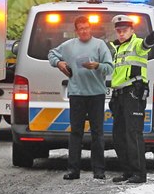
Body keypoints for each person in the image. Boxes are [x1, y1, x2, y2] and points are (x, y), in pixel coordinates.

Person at [48, 15, 114, 180]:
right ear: (76, 31)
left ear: (90, 28)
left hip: (96, 94)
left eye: (86, 28)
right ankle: (73, 170)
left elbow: (110, 67)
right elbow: (51, 54)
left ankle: (99, 170)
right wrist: (59, 63)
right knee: (76, 133)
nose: (84, 31)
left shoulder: (99, 45)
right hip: (77, 94)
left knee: (97, 133)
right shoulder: (69, 46)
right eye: (81, 29)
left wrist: (97, 65)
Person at [108, 15, 154, 184]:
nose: (121, 33)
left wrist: (152, 37)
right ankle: (127, 171)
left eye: (124, 30)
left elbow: (145, 45)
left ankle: (139, 173)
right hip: (119, 94)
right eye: (118, 31)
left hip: (133, 93)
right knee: (119, 136)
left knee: (133, 134)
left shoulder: (137, 44)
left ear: (132, 30)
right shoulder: (116, 48)